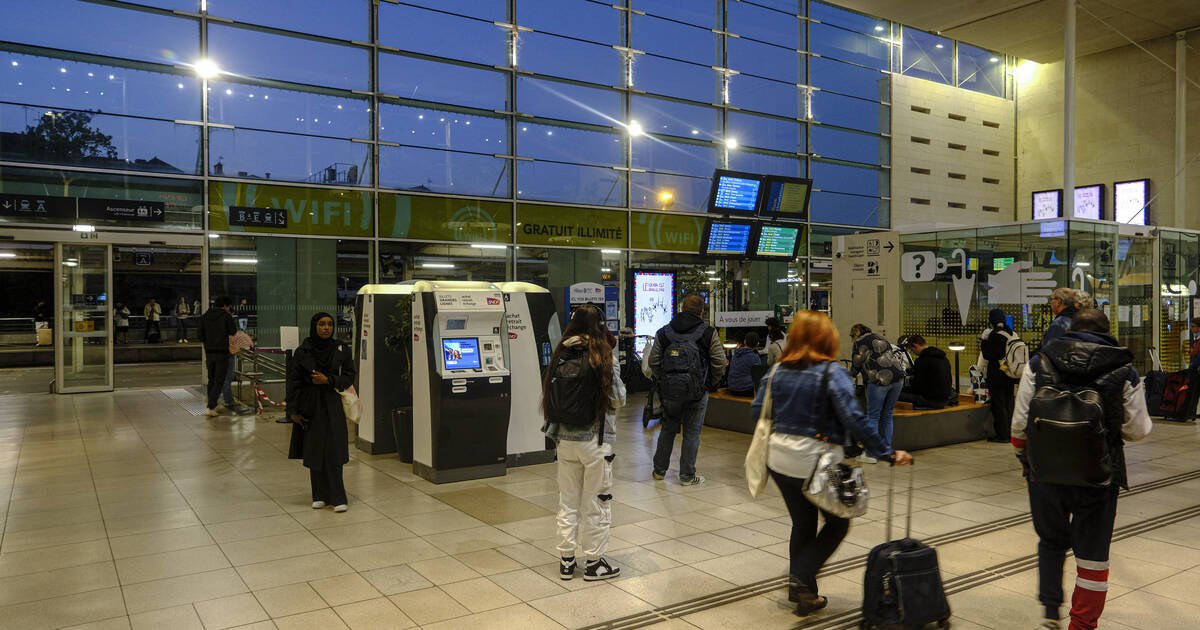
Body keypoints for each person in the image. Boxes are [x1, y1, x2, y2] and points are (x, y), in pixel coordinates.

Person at [751, 311, 912, 616]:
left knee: (803, 522)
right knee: (838, 522)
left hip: (778, 460)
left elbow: (758, 410)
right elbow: (854, 418)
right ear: (827, 339)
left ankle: (802, 594)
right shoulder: (831, 372)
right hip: (812, 460)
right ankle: (801, 575)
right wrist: (886, 452)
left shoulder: (777, 371)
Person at [1011, 309, 1151, 630]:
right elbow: (1138, 430)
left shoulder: (1039, 362)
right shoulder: (1124, 369)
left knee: (1051, 540)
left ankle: (1049, 611)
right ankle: (1082, 624)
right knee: (1092, 555)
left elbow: (1019, 425)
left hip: (1045, 471)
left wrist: (1026, 459)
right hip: (1099, 474)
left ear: (1071, 330)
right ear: (1107, 332)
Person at [542, 304, 626, 581]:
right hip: (594, 440)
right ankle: (593, 563)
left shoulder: (561, 352)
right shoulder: (601, 355)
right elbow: (618, 399)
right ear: (599, 326)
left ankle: (566, 561)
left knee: (568, 502)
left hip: (563, 440)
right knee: (596, 503)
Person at [649, 294, 727, 485]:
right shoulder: (708, 332)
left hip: (670, 392)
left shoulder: (664, 332)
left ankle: (659, 471)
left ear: (682, 307)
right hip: (697, 392)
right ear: (702, 311)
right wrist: (710, 384)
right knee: (692, 433)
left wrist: (665, 380)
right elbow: (719, 362)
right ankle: (686, 476)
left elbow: (653, 361)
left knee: (668, 428)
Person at [287, 313, 356, 513]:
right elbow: (294, 382)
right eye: (321, 324)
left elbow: (349, 376)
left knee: (333, 450)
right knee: (315, 449)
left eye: (329, 324)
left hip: (332, 403)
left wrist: (329, 380)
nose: (326, 328)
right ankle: (319, 495)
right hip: (310, 406)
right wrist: (293, 410)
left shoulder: (341, 349)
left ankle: (338, 497)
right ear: (313, 326)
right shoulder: (303, 351)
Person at [849, 324, 907, 462]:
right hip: (898, 378)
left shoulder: (858, 342)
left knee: (873, 416)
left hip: (879, 379)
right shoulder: (881, 338)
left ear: (855, 334)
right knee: (887, 414)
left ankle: (871, 454)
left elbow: (856, 364)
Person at [977, 308, 1022, 443]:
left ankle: (1002, 435)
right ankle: (1010, 432)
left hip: (997, 375)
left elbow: (988, 354)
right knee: (1009, 403)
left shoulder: (994, 335)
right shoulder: (1012, 333)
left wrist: (984, 340)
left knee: (999, 405)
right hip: (1010, 374)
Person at [199, 296, 237, 416]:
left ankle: (212, 404)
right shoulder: (226, 316)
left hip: (209, 352)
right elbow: (233, 331)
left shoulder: (205, 316)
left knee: (212, 379)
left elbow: (199, 335)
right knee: (219, 380)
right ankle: (211, 407)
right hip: (222, 352)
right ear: (226, 306)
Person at [898, 335, 953, 409]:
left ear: (915, 345)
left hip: (931, 401)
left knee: (895, 393)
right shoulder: (944, 358)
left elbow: (918, 386)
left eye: (912, 350)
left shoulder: (922, 361)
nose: (913, 352)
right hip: (945, 400)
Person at [220, 326, 254, 413]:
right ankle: (228, 400)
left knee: (226, 377)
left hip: (224, 353)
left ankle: (225, 398)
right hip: (228, 354)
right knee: (228, 377)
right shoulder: (240, 335)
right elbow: (245, 347)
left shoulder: (231, 334)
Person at [727, 332, 762, 397]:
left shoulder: (735, 353)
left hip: (732, 387)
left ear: (745, 341)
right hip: (745, 389)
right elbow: (758, 377)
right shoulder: (755, 357)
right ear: (757, 344)